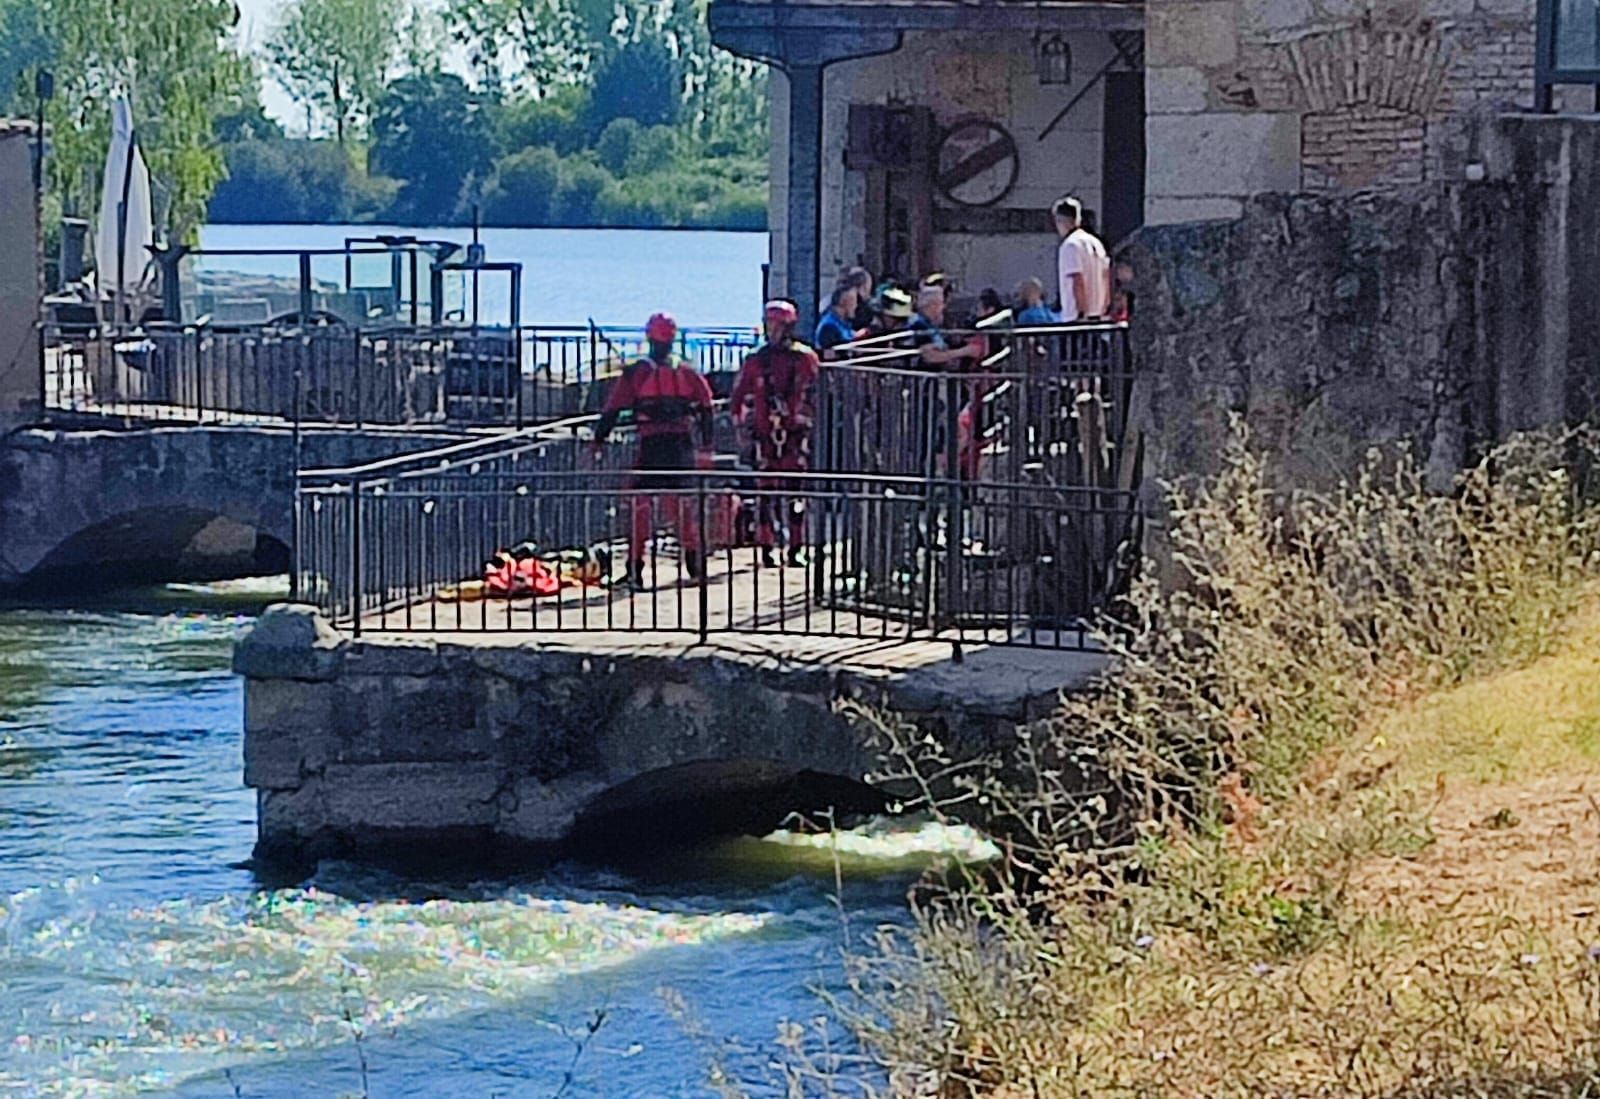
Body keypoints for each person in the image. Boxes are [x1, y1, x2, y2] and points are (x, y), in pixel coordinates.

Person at [593, 311, 714, 588]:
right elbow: (706, 407)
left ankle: (635, 570)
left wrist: (598, 440)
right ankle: (695, 564)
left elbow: (612, 409)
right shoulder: (687, 371)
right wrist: (706, 447)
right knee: (682, 506)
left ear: (649, 337)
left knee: (641, 506)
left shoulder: (637, 373)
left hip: (652, 444)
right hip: (681, 445)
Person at [732, 300, 821, 567]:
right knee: (766, 495)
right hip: (766, 436)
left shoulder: (805, 359)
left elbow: (817, 394)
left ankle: (796, 547)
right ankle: (767, 547)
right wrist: (741, 428)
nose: (772, 331)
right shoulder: (756, 361)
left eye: (777, 326)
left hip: (795, 435)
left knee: (796, 494)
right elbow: (738, 397)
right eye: (769, 325)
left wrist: (810, 422)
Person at [1052, 196, 1111, 322]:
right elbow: (1106, 276)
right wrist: (1105, 306)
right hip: (1097, 314)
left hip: (1076, 316)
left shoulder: (1070, 245)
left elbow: (1077, 280)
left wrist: (1081, 312)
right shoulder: (1096, 243)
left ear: (1060, 220)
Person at [813, 282, 859, 359]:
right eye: (854, 301)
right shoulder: (828, 327)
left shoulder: (845, 323)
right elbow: (829, 358)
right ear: (844, 302)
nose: (856, 305)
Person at [840, 266, 875, 331]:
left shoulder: (826, 304)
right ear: (862, 287)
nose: (869, 295)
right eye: (867, 289)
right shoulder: (866, 311)